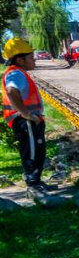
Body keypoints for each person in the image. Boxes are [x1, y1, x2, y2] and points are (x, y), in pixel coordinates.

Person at [1, 37, 47, 189]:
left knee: (36, 150)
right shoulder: (16, 74)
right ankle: (34, 185)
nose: (34, 60)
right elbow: (11, 91)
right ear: (20, 60)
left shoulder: (17, 73)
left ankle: (36, 181)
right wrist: (27, 114)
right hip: (26, 121)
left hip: (28, 120)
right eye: (31, 57)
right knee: (32, 152)